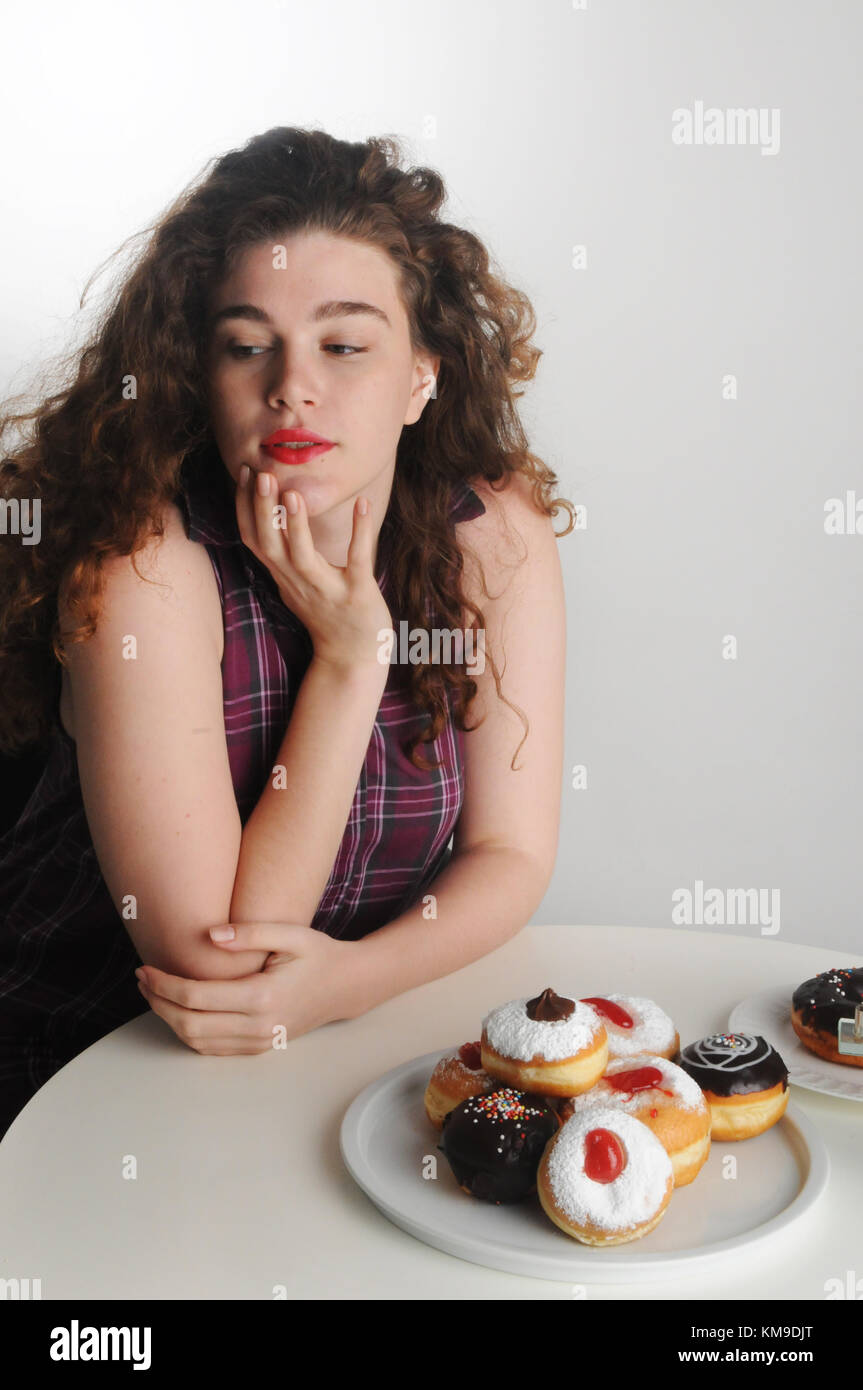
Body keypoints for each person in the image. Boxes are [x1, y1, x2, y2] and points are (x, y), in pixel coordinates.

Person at [0, 126, 573, 1141]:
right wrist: (351, 660)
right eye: (246, 344)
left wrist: (349, 981)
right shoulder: (143, 565)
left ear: (420, 377)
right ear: (196, 373)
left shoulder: (494, 540)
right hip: (82, 1083)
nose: (291, 387)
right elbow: (218, 967)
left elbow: (509, 852)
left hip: (328, 1061)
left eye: (345, 344)